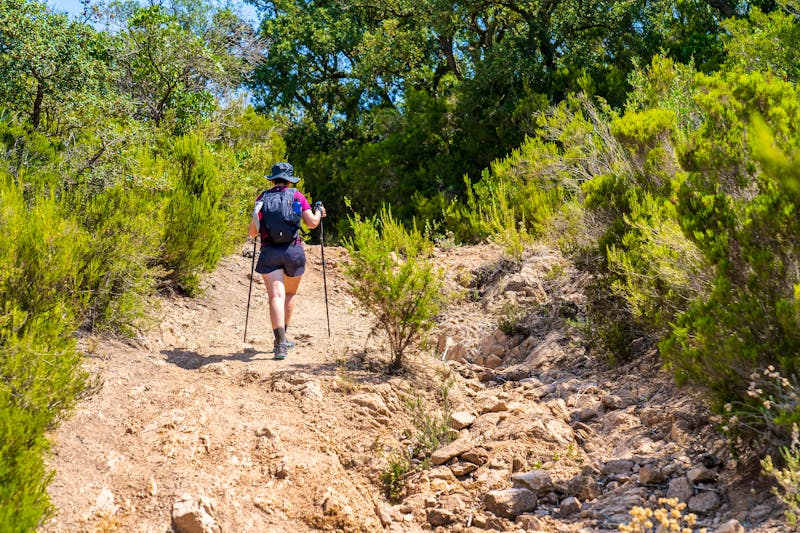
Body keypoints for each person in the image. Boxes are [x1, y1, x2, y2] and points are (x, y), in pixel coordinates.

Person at [248, 162, 326, 359]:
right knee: (289, 294)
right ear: (290, 181)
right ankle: (284, 336)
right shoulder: (297, 196)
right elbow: (312, 223)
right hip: (293, 251)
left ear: (272, 179)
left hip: (269, 251)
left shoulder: (263, 198)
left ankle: (280, 343)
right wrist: (319, 210)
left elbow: (252, 232)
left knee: (276, 296)